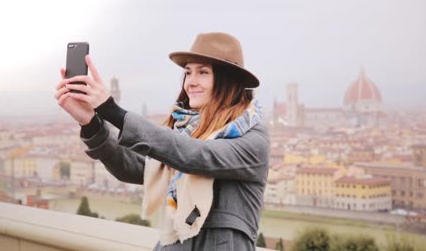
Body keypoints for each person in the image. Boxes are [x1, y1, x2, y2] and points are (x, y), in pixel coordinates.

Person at [54, 32, 270, 250]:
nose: (190, 82)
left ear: (228, 81)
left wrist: (112, 110)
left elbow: (197, 156)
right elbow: (132, 167)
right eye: (188, 73)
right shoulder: (183, 132)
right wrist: (91, 122)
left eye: (203, 72)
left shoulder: (253, 140)